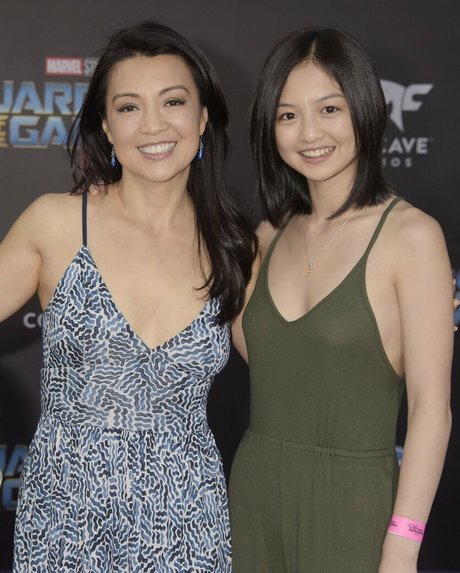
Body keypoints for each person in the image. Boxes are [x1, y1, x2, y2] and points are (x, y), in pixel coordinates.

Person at [1, 20, 256, 572]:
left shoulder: (236, 248)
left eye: (173, 101)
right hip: (64, 522)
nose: (153, 124)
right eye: (129, 106)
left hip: (189, 524)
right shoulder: (57, 224)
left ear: (203, 117)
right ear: (106, 125)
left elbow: (295, 368)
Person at [229, 28, 453, 573]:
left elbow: (431, 410)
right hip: (253, 500)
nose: (310, 133)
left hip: (353, 509)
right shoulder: (265, 237)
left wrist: (403, 545)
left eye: (329, 108)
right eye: (288, 115)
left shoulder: (412, 236)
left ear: (365, 109)